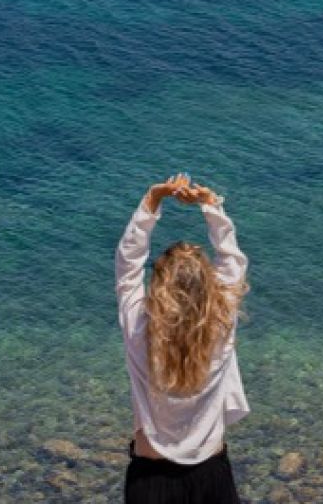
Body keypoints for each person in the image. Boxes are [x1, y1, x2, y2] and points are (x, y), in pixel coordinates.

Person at [115, 172, 250, 504]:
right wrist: (211, 206)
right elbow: (233, 262)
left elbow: (127, 265)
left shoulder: (138, 328)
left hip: (151, 480)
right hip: (211, 477)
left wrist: (153, 201)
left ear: (158, 286)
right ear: (208, 287)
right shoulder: (220, 326)